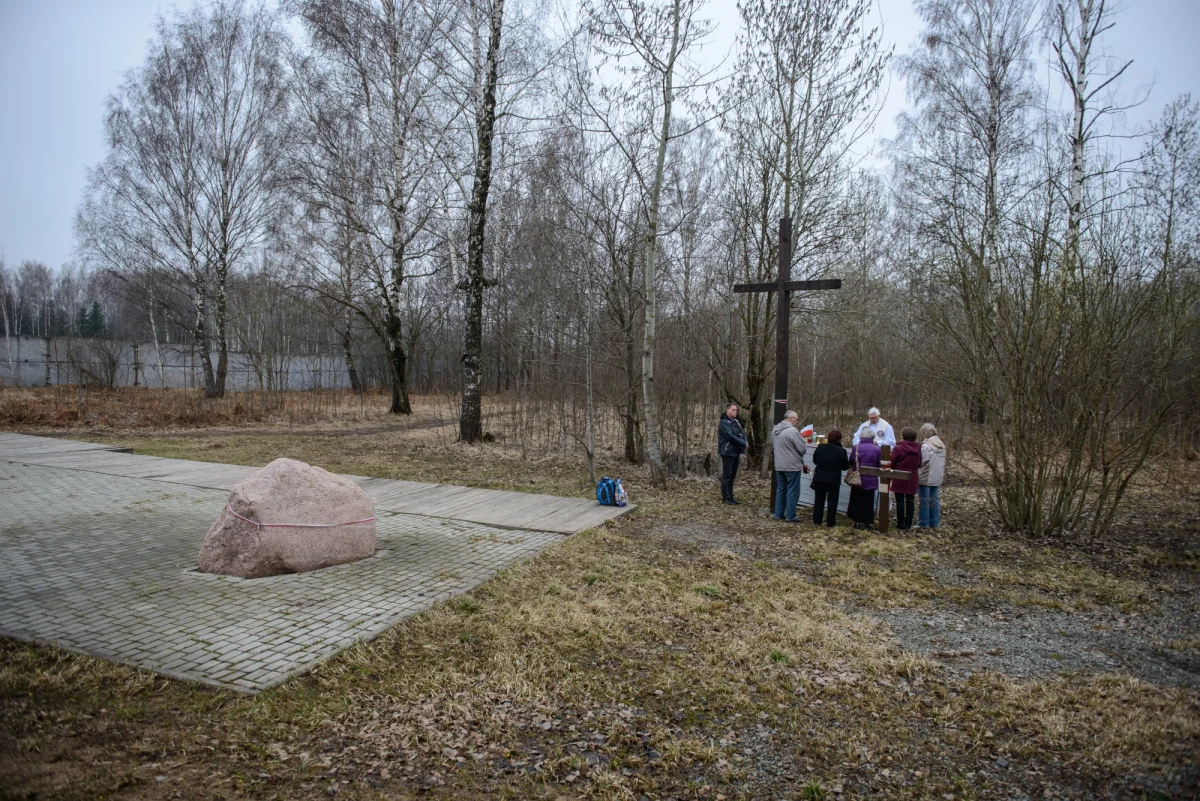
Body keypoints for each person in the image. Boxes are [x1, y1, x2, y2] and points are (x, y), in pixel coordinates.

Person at [771, 411, 808, 522]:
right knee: (792, 491)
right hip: (792, 465)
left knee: (781, 489)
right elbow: (802, 448)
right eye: (796, 419)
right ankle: (790, 515)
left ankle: (778, 513)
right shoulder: (792, 431)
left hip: (779, 464)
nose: (797, 421)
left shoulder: (775, 430)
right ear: (791, 418)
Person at [810, 428, 850, 527]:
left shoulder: (820, 447)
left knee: (819, 500)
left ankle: (817, 520)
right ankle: (830, 522)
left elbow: (815, 461)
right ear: (839, 439)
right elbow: (845, 467)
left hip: (819, 477)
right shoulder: (842, 451)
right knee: (832, 501)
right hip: (833, 479)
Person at [847, 429, 881, 529]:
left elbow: (851, 461)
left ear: (861, 436)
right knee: (868, 500)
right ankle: (867, 522)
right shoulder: (877, 449)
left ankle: (857, 521)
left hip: (858, 478)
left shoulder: (856, 447)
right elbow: (879, 464)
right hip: (871, 479)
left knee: (857, 499)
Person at [889, 427, 922, 530]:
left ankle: (901, 523)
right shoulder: (918, 448)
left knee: (899, 500)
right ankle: (908, 523)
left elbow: (892, 462)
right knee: (910, 500)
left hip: (899, 476)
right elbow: (919, 463)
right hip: (912, 476)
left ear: (903, 436)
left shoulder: (898, 448)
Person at [718, 402, 748, 505]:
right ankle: (725, 497)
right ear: (727, 411)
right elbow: (730, 436)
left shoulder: (736, 422)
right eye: (733, 410)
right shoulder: (724, 423)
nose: (735, 412)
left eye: (736, 410)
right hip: (727, 452)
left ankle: (731, 496)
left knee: (732, 476)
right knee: (727, 475)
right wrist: (742, 442)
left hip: (735, 451)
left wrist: (744, 442)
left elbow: (742, 433)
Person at [918, 423, 947, 528]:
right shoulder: (941, 445)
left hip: (926, 476)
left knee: (924, 500)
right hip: (937, 477)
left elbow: (921, 462)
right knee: (934, 500)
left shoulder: (926, 447)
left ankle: (923, 523)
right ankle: (934, 522)